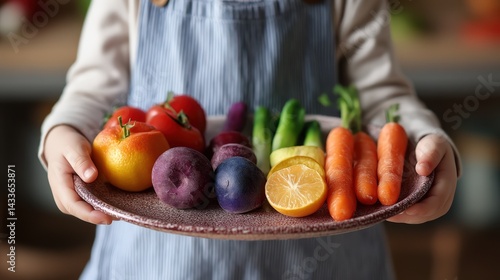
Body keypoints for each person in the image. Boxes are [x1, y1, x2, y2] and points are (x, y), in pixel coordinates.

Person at [39, 0, 461, 279]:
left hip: (324, 249)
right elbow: (94, 92)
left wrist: (426, 139)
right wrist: (64, 132)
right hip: (157, 260)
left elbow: (381, 96)